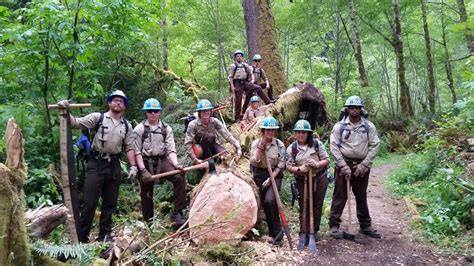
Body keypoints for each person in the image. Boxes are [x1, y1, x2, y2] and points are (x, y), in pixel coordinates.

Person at [57, 90, 137, 243]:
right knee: (90, 202)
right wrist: (66, 111)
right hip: (96, 163)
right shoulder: (97, 118)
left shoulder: (126, 126)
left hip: (114, 165)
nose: (118, 102)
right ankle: (82, 237)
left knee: (110, 203)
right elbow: (75, 123)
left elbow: (130, 147)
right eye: (115, 100)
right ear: (109, 102)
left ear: (124, 106)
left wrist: (133, 166)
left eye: (121, 101)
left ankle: (104, 236)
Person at [328, 96, 381, 239]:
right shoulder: (339, 126)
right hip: (343, 165)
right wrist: (343, 166)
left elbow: (374, 145)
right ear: (347, 109)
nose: (354, 110)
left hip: (361, 166)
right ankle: (334, 225)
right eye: (351, 107)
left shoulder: (369, 126)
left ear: (361, 109)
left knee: (361, 196)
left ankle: (365, 226)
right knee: (339, 196)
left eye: (357, 107)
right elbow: (333, 146)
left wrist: (365, 164)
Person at [133, 98, 187, 228]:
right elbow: (137, 152)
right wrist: (142, 169)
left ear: (159, 112)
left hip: (162, 160)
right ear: (146, 112)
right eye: (150, 111)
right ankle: (148, 223)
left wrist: (176, 164)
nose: (153, 113)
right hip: (145, 161)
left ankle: (178, 213)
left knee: (179, 178)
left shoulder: (166, 129)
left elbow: (171, 149)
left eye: (155, 111)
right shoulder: (139, 129)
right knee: (146, 191)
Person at [286, 120, 329, 246]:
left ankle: (313, 231)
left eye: (304, 132)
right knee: (304, 205)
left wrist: (317, 164)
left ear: (308, 133)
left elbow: (326, 160)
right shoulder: (292, 148)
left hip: (319, 177)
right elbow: (289, 166)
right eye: (298, 132)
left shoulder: (316, 144)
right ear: (295, 133)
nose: (301, 135)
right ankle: (303, 231)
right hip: (302, 179)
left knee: (317, 204)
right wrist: (299, 169)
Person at [250, 116, 286, 245]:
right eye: (267, 130)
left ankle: (278, 232)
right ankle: (272, 234)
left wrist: (271, 178)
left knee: (270, 201)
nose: (270, 132)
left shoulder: (279, 145)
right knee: (263, 204)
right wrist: (260, 148)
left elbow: (282, 164)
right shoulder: (255, 143)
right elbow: (254, 161)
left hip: (275, 175)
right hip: (259, 174)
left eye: (272, 130)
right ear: (263, 131)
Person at [185, 99, 242, 165]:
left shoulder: (215, 121)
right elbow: (187, 144)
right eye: (203, 111)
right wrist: (194, 159)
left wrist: (237, 145)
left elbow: (226, 134)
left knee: (225, 156)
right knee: (210, 137)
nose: (206, 113)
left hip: (213, 144)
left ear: (211, 111)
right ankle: (208, 161)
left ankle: (215, 157)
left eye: (208, 110)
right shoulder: (192, 125)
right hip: (200, 150)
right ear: (199, 112)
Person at [228, 50, 273, 123]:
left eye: (240, 56)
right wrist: (232, 86)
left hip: (245, 82)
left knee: (257, 87)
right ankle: (237, 118)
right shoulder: (233, 66)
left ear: (242, 57)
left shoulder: (245, 65)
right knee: (238, 101)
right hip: (237, 83)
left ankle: (268, 101)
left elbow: (250, 73)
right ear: (235, 58)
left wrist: (252, 80)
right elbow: (230, 77)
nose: (239, 57)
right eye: (237, 56)